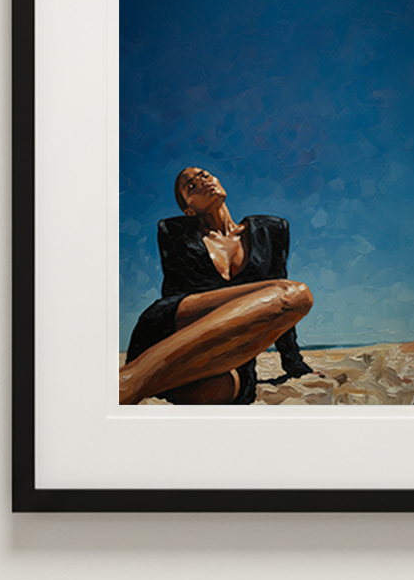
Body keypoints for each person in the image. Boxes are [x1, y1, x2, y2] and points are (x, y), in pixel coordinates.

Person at [120, 166, 318, 404]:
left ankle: (148, 385)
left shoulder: (270, 230)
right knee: (294, 294)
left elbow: (277, 316)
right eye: (190, 187)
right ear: (188, 210)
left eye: (204, 175)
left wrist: (293, 363)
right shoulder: (175, 232)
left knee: (224, 388)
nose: (202, 182)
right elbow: (173, 298)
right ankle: (128, 382)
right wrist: (271, 289)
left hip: (226, 350)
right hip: (174, 328)